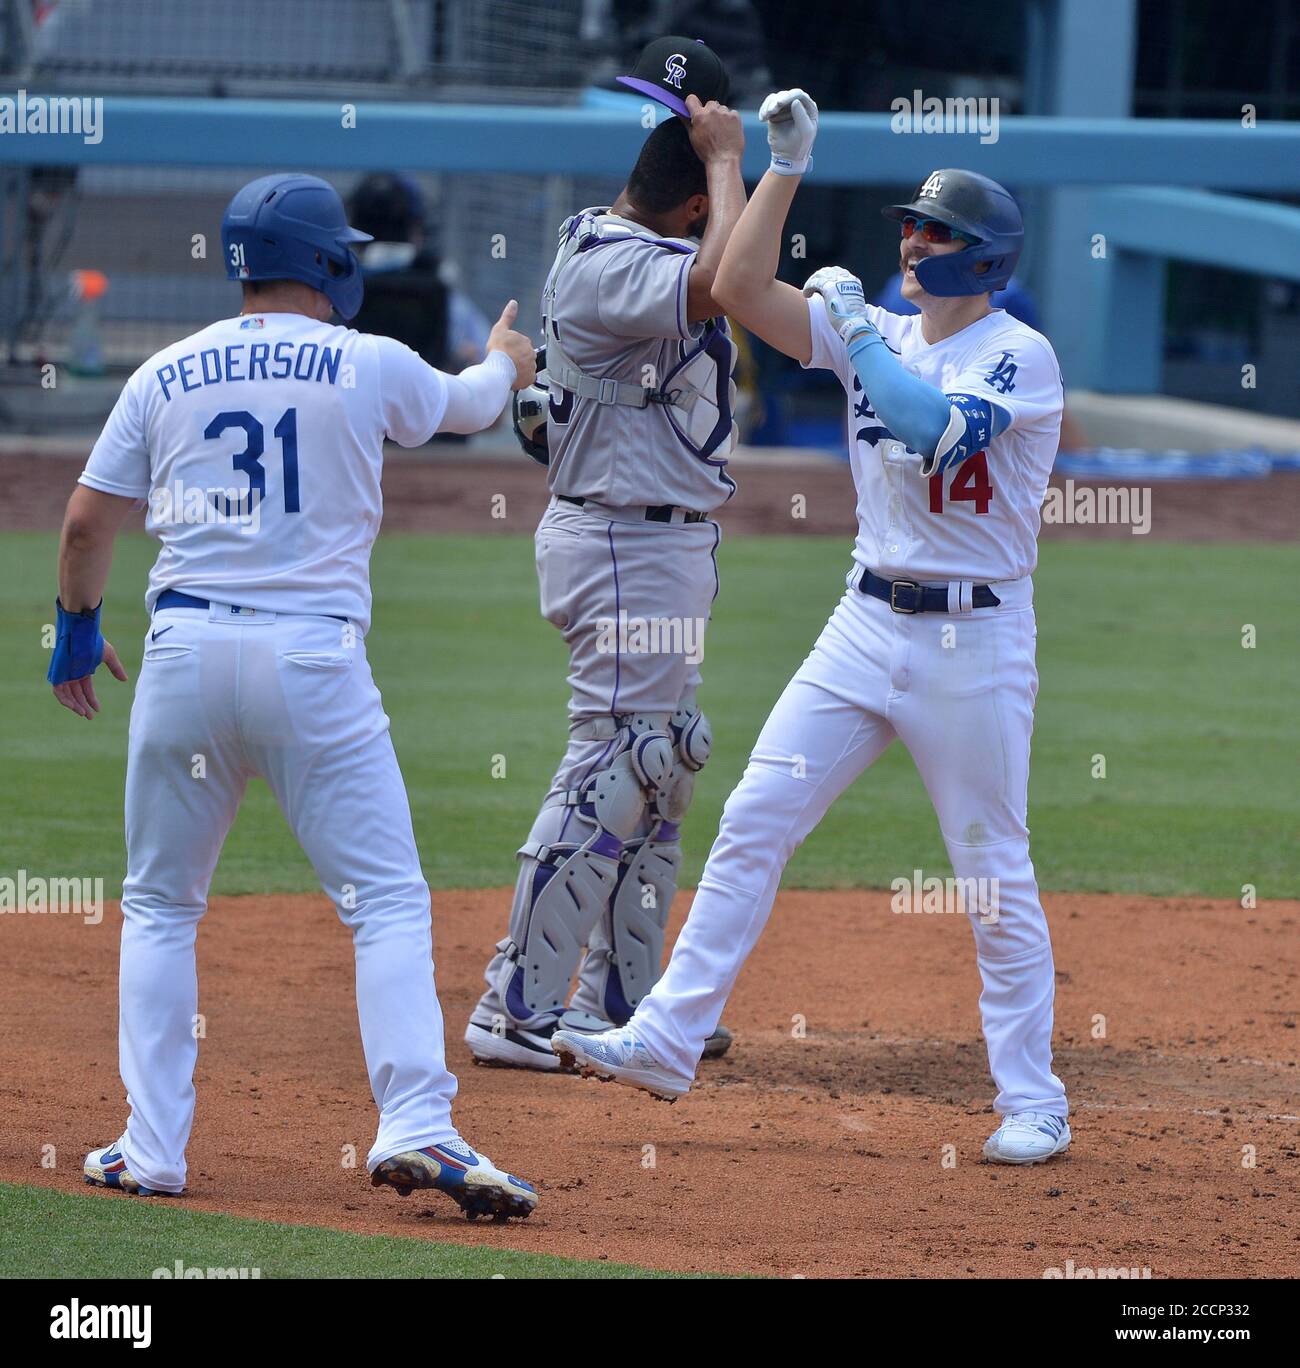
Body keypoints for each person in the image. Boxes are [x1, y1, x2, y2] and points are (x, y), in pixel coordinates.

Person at [553, 91, 1073, 1168]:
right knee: (754, 816)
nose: (912, 243)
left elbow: (931, 428)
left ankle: (1034, 1099)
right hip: (862, 616)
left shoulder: (1020, 355)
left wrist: (844, 319)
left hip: (971, 641)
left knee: (990, 870)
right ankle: (666, 1036)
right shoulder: (870, 326)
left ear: (986, 261)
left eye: (937, 233)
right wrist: (782, 166)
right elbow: (735, 286)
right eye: (908, 226)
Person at [48, 173, 541, 1219]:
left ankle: (152, 1150)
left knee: (159, 906)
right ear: (330, 263)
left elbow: (88, 523)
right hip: (311, 665)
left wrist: (78, 634)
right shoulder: (367, 362)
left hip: (181, 659)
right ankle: (415, 1123)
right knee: (386, 903)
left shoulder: (167, 370)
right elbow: (471, 409)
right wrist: (507, 358)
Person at [464, 37, 746, 1073]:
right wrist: (730, 167)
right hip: (625, 542)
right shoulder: (624, 261)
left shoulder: (617, 246)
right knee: (614, 766)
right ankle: (514, 1007)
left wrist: (720, 167)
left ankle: (619, 1003)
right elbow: (722, 279)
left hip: (651, 540)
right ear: (686, 203)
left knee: (659, 771)